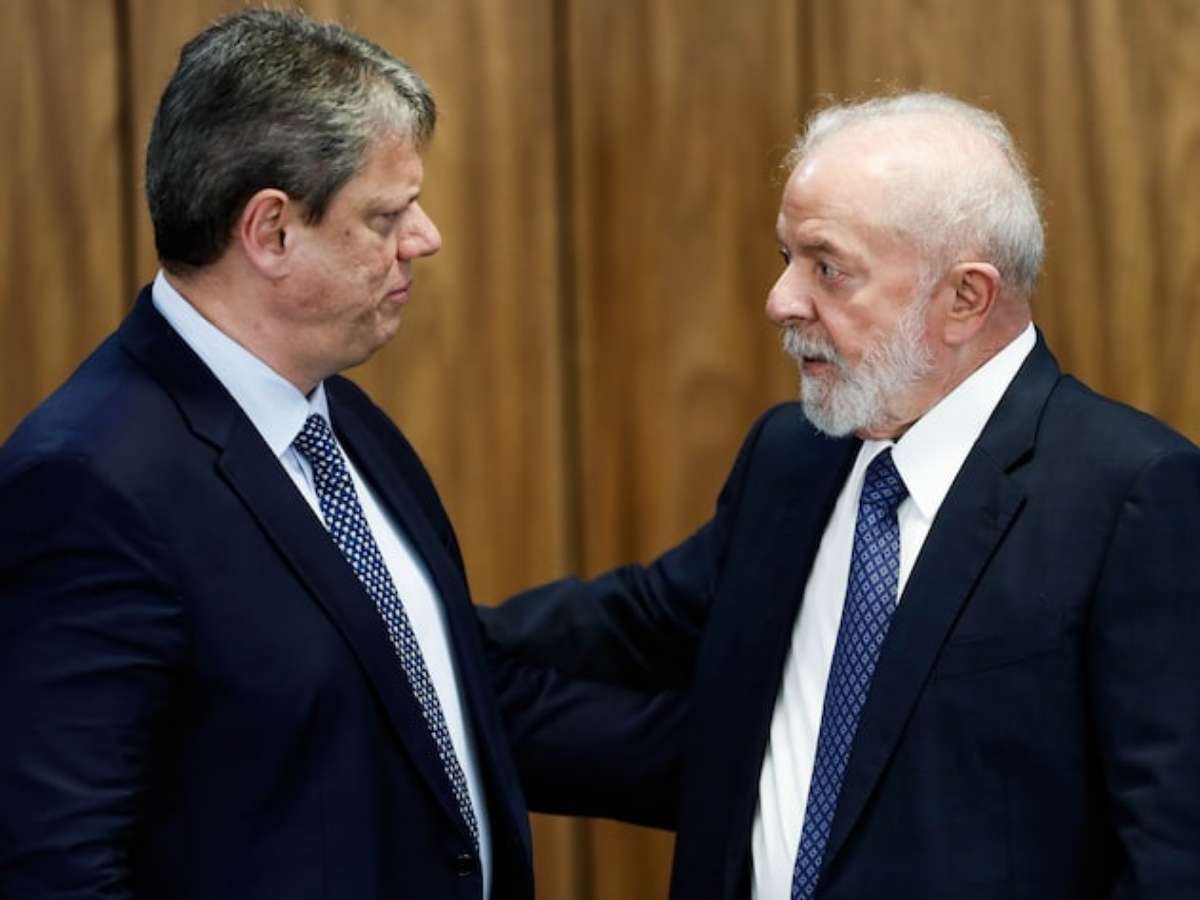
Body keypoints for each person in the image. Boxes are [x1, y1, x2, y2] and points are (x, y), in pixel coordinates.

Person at [0, 9, 681, 898]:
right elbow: (56, 865)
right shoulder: (86, 482)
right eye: (386, 215)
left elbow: (447, 698)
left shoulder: (342, 421)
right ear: (271, 231)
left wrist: (788, 771)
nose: (424, 238)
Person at [482, 92, 1200, 899]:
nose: (780, 301)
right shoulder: (793, 458)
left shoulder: (1132, 494)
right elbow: (632, 627)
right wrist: (410, 643)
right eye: (786, 257)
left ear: (965, 298)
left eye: (827, 268)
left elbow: (1172, 850)